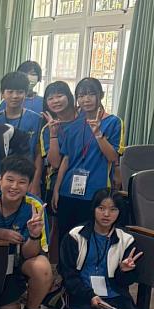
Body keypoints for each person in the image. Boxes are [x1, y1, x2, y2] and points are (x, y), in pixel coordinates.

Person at [0, 156, 52, 309]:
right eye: (10, 180)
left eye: (22, 182)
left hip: (17, 263)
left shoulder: (35, 206)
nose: (14, 186)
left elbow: (30, 254)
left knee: (42, 268)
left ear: (29, 185)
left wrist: (34, 234)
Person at [58, 189, 142, 309]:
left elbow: (126, 282)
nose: (106, 214)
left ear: (119, 212)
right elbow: (68, 274)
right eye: (101, 208)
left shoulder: (126, 240)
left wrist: (124, 271)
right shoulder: (75, 235)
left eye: (113, 209)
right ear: (93, 209)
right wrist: (90, 296)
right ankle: (63, 305)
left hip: (114, 294)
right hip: (82, 292)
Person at [52, 78, 124, 244]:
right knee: (66, 238)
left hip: (96, 191)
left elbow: (113, 157)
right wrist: (57, 189)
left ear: (101, 95)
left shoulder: (113, 122)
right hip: (68, 189)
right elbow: (66, 159)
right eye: (81, 95)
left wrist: (98, 134)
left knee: (89, 238)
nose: (86, 99)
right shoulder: (73, 124)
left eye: (91, 94)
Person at [0, 72, 43, 184]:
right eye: (10, 92)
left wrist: (35, 181)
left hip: (28, 177)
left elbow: (39, 153)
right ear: (2, 94)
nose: (15, 96)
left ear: (25, 94)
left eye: (20, 92)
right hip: (1, 178)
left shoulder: (37, 120)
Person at [39, 81, 79, 205]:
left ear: (69, 96)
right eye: (50, 98)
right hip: (57, 184)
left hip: (88, 178)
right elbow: (55, 163)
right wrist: (53, 134)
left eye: (60, 96)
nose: (56, 101)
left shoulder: (84, 119)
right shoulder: (47, 129)